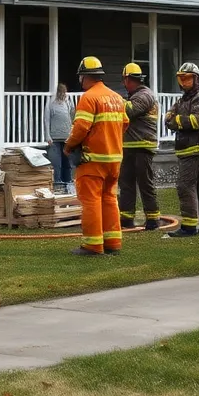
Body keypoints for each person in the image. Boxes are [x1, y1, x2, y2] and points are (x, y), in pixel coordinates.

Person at [63, 56, 128, 256]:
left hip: (93, 160)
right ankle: (113, 243)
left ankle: (92, 245)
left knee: (91, 200)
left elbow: (81, 127)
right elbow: (125, 123)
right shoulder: (116, 97)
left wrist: (69, 146)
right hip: (114, 160)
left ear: (84, 77)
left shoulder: (88, 98)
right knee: (109, 198)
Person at [165, 62, 199, 238]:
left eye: (188, 79)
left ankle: (189, 226)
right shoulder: (183, 100)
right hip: (194, 149)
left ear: (197, 79)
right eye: (182, 79)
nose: (184, 83)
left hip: (197, 150)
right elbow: (167, 119)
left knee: (184, 185)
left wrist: (177, 120)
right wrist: (176, 119)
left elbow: (196, 121)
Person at [118, 63, 162, 231]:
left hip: (143, 147)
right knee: (126, 183)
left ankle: (152, 219)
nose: (124, 83)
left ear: (129, 79)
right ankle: (127, 218)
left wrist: (114, 99)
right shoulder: (135, 95)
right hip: (129, 146)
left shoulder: (144, 95)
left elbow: (130, 110)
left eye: (124, 80)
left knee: (145, 183)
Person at [44, 83, 76, 191]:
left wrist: (71, 134)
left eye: (64, 92)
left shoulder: (68, 103)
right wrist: (48, 135)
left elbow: (72, 117)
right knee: (56, 163)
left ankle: (68, 183)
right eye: (61, 92)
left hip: (66, 137)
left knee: (67, 162)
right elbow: (46, 120)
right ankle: (58, 184)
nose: (63, 94)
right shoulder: (50, 103)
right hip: (54, 138)